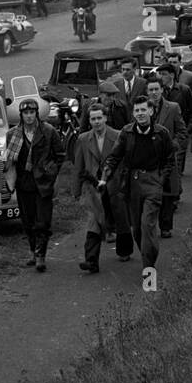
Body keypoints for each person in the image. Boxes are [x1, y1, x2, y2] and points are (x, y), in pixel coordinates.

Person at [99, 98, 175, 269]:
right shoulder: (127, 132)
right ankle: (147, 254)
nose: (140, 114)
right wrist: (106, 174)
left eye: (143, 110)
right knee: (138, 230)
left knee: (147, 224)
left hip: (153, 180)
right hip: (132, 183)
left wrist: (161, 179)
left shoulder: (161, 133)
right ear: (133, 114)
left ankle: (148, 266)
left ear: (151, 111)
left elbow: (170, 159)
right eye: (136, 111)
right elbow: (115, 156)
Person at [6, 99, 66, 272]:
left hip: (43, 182)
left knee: (43, 221)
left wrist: (50, 170)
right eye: (26, 113)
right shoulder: (13, 134)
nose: (29, 116)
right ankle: (33, 250)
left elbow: (60, 155)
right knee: (28, 220)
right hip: (23, 183)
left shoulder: (48, 131)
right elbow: (7, 158)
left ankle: (41, 256)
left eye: (32, 112)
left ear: (37, 113)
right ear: (21, 115)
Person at [71, 103, 122, 274]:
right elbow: (78, 166)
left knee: (118, 217)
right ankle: (91, 260)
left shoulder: (117, 136)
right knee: (94, 221)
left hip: (113, 185)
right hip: (93, 188)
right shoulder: (83, 139)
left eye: (100, 118)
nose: (97, 122)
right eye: (93, 119)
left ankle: (124, 249)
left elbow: (123, 163)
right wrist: (76, 190)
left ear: (106, 118)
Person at [143, 77, 186, 238]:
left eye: (156, 89)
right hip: (147, 159)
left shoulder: (173, 108)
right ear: (146, 92)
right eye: (150, 90)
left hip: (167, 159)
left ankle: (166, 226)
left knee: (167, 194)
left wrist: (172, 145)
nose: (154, 93)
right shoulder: (141, 109)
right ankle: (150, 225)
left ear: (162, 90)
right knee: (150, 193)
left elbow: (182, 131)